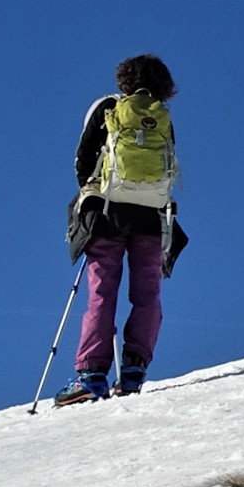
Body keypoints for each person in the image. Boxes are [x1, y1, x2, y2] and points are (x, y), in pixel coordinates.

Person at [56, 54, 188, 407]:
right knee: (148, 295)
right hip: (152, 217)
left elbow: (82, 161)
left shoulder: (107, 108)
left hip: (107, 214)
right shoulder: (160, 116)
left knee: (102, 293)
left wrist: (92, 194)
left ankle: (91, 376)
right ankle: (133, 371)